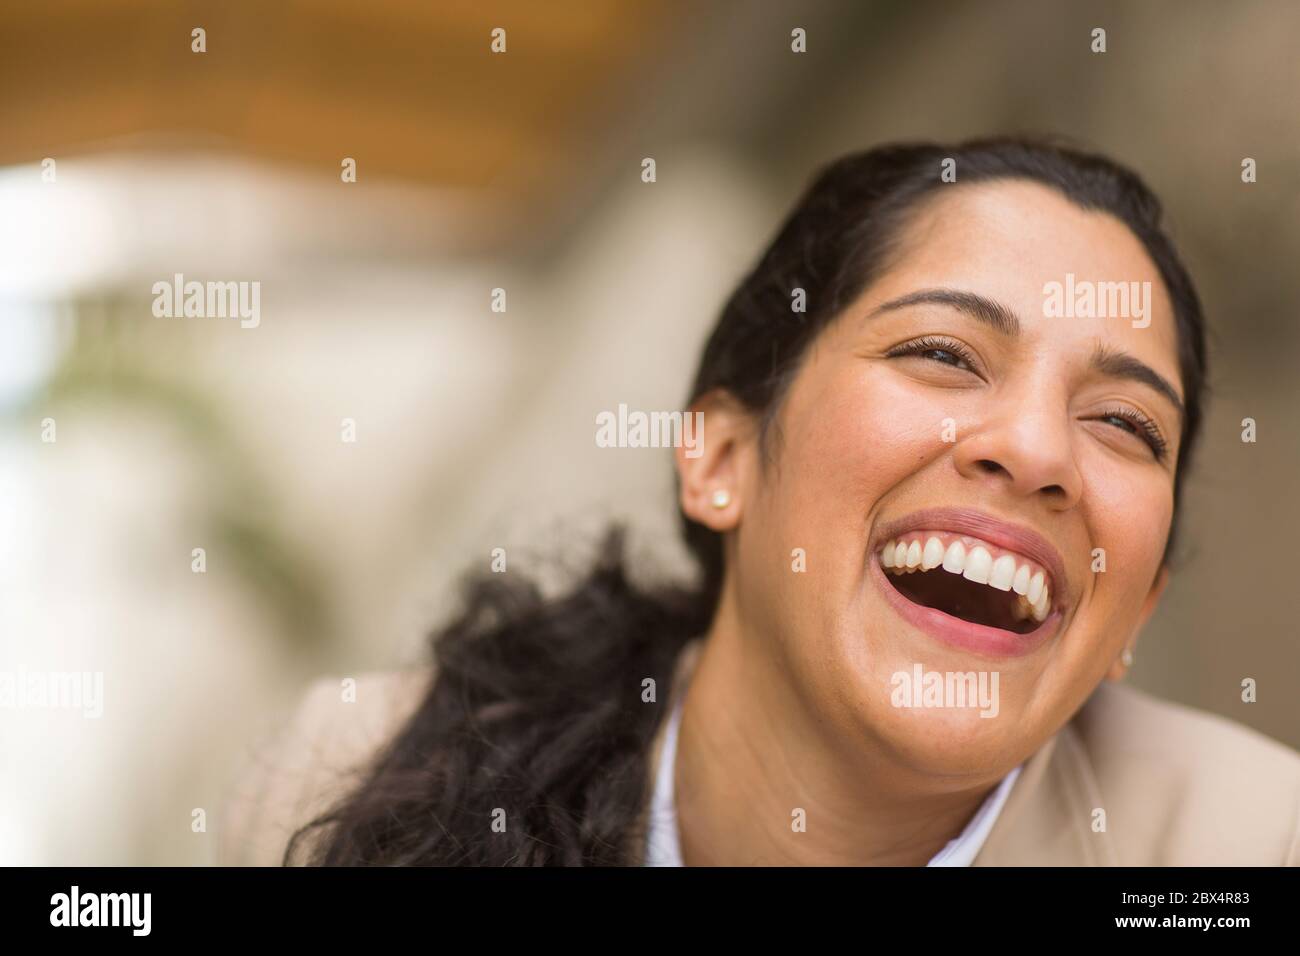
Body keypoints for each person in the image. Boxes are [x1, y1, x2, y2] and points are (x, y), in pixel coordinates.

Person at [219, 135, 1300, 867]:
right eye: (941, 352)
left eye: (1124, 424)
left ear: (1138, 606)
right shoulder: (368, 774)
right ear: (722, 454)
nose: (1034, 448)